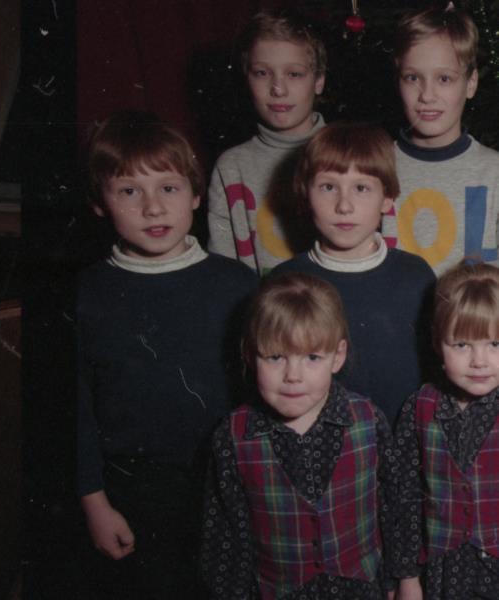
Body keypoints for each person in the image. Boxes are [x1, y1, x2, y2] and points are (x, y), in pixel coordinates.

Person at [76, 110, 256, 598]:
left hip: (231, 482)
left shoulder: (237, 285)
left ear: (196, 194)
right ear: (100, 203)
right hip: (132, 491)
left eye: (169, 188)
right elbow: (77, 409)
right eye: (129, 192)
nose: (153, 208)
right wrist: (94, 502)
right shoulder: (88, 293)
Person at [201, 272, 396, 599]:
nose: (293, 376)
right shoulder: (232, 437)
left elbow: (393, 509)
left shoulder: (368, 420)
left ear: (338, 356)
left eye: (312, 357)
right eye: (275, 357)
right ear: (249, 355)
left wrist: (395, 581)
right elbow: (224, 539)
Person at [271, 121, 435, 423]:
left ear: (387, 198)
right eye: (328, 187)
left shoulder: (416, 276)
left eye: (361, 188)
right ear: (305, 194)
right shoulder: (284, 282)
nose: (344, 206)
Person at [390, 263, 499, 600]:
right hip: (445, 572)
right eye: (462, 344)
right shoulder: (419, 407)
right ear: (438, 343)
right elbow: (403, 498)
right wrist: (407, 577)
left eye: (495, 343)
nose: (479, 361)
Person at [381, 5, 499, 275]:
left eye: (444, 78)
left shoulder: (494, 172)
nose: (427, 95)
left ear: (471, 83)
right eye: (413, 78)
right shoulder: (375, 166)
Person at [207, 9, 327, 274]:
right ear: (246, 77)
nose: (278, 89)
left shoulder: (347, 153)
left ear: (319, 80)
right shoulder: (231, 167)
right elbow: (222, 271)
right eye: (262, 73)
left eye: (294, 74)